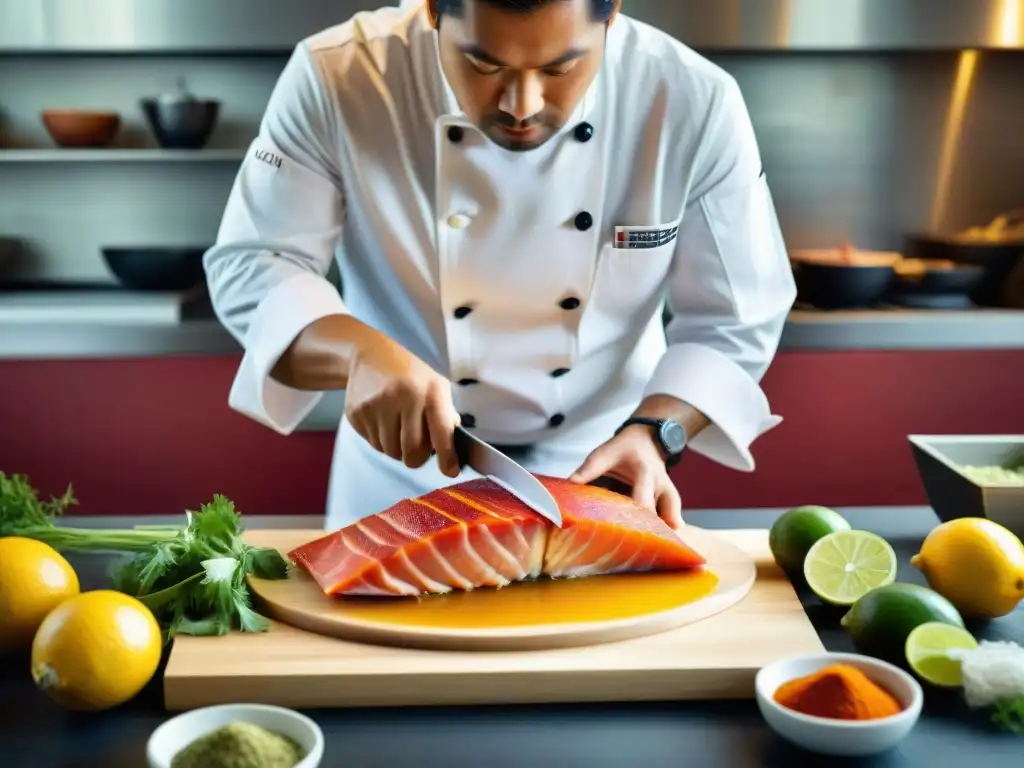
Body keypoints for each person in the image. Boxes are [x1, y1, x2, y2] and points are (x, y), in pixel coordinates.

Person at [204, 0, 797, 532]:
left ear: (611, 14)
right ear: (434, 9)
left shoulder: (692, 98)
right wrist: (358, 353)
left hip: (602, 471)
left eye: (560, 68)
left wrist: (655, 433)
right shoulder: (340, 75)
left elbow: (736, 317)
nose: (522, 105)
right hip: (400, 475)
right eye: (484, 66)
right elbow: (254, 264)